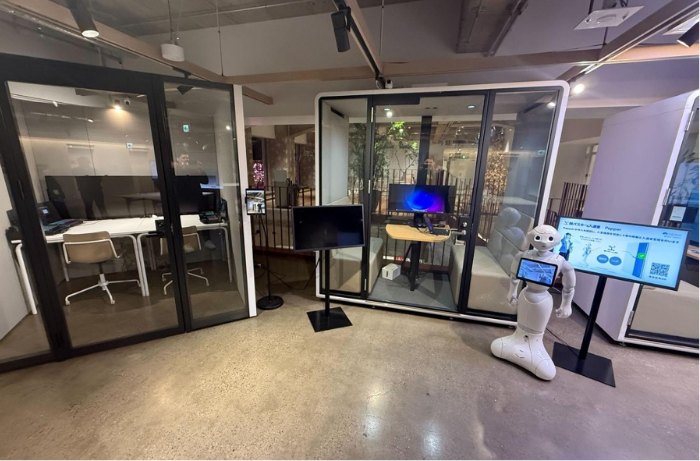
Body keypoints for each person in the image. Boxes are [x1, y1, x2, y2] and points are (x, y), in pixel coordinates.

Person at [174, 152, 216, 250]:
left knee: (202, 218)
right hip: (183, 200)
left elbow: (205, 181)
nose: (186, 160)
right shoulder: (176, 170)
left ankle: (206, 240)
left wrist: (201, 170)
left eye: (187, 158)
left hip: (196, 198)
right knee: (184, 220)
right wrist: (177, 168)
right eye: (184, 158)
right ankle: (185, 242)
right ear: (178, 159)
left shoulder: (194, 170)